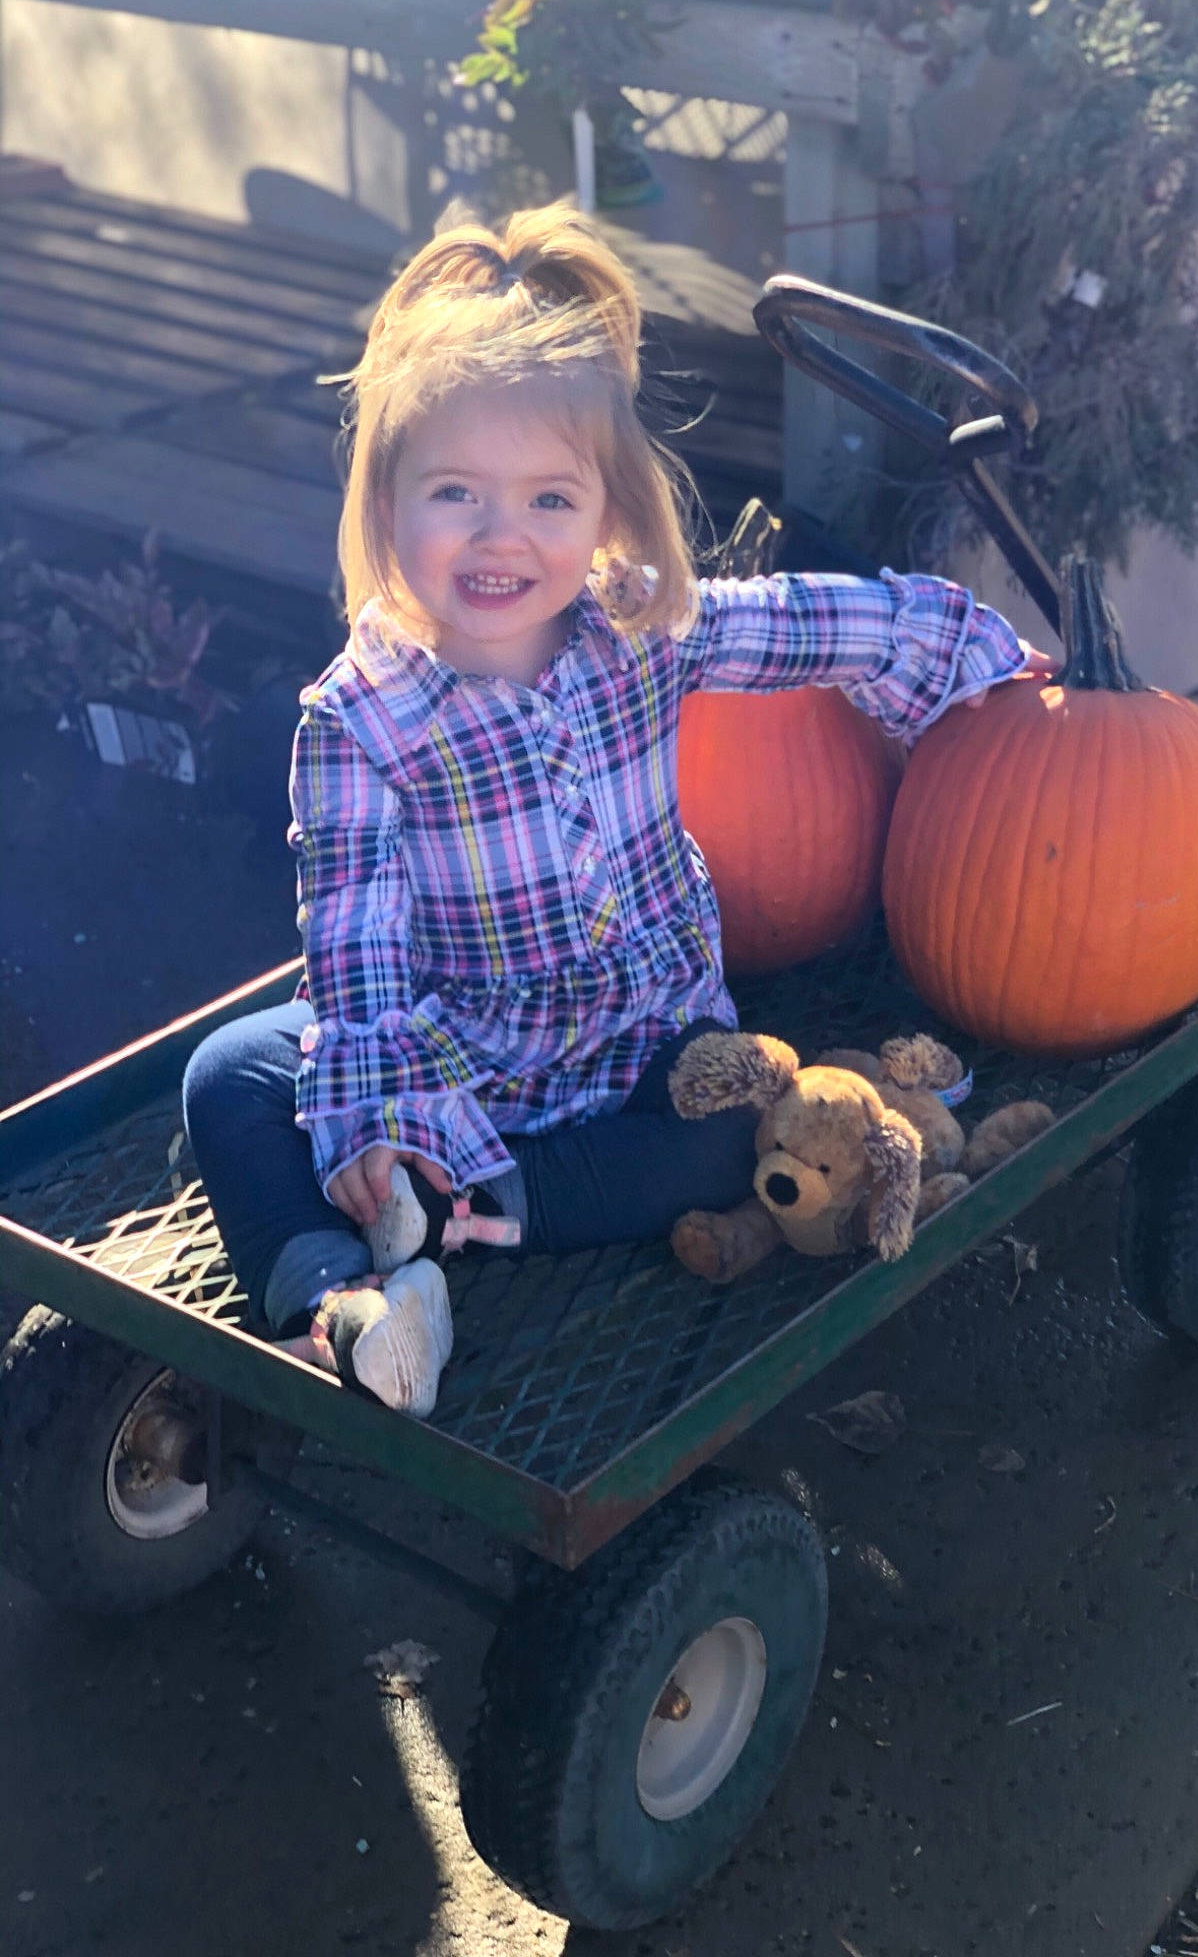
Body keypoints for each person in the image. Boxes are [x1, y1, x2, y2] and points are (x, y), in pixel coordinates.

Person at [182, 202, 1051, 1419]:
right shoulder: (360, 721)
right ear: (386, 503)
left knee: (722, 1139)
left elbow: (818, 622)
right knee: (227, 1071)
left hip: (650, 1052)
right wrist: (378, 1123)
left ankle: (470, 1221)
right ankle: (343, 1304)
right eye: (454, 494)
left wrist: (990, 659)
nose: (502, 537)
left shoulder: (636, 627)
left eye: (549, 499)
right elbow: (357, 959)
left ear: (607, 508)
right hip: (468, 1055)